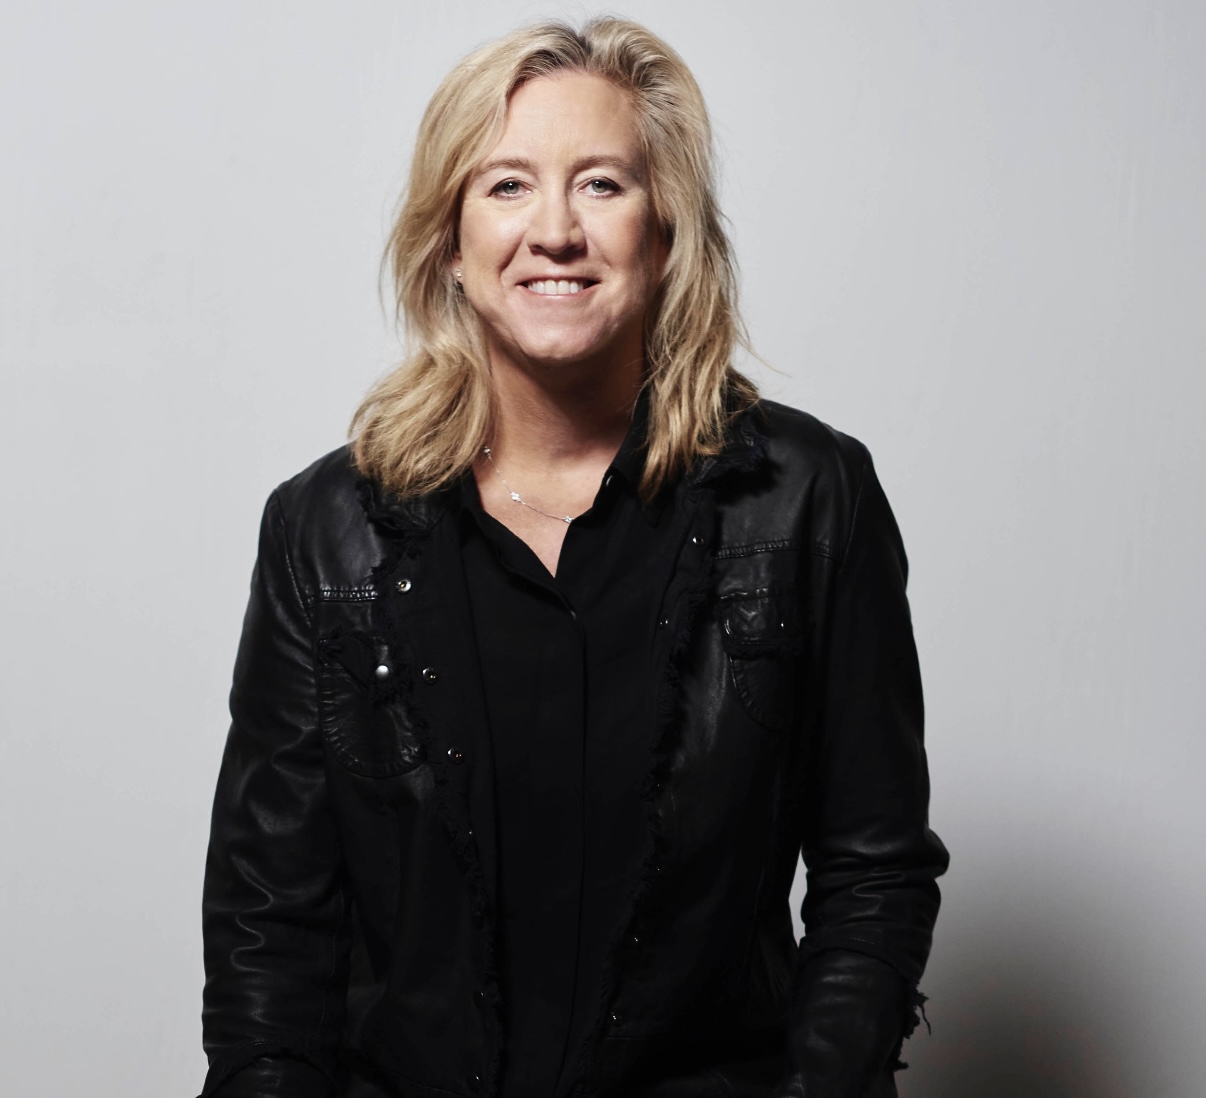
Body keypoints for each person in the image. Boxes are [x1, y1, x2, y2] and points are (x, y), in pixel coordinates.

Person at [199, 17, 949, 1098]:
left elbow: (875, 875)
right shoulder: (325, 532)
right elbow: (269, 935)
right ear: (450, 244)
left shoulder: (805, 499)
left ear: (665, 232)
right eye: (507, 186)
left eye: (601, 184)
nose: (554, 232)